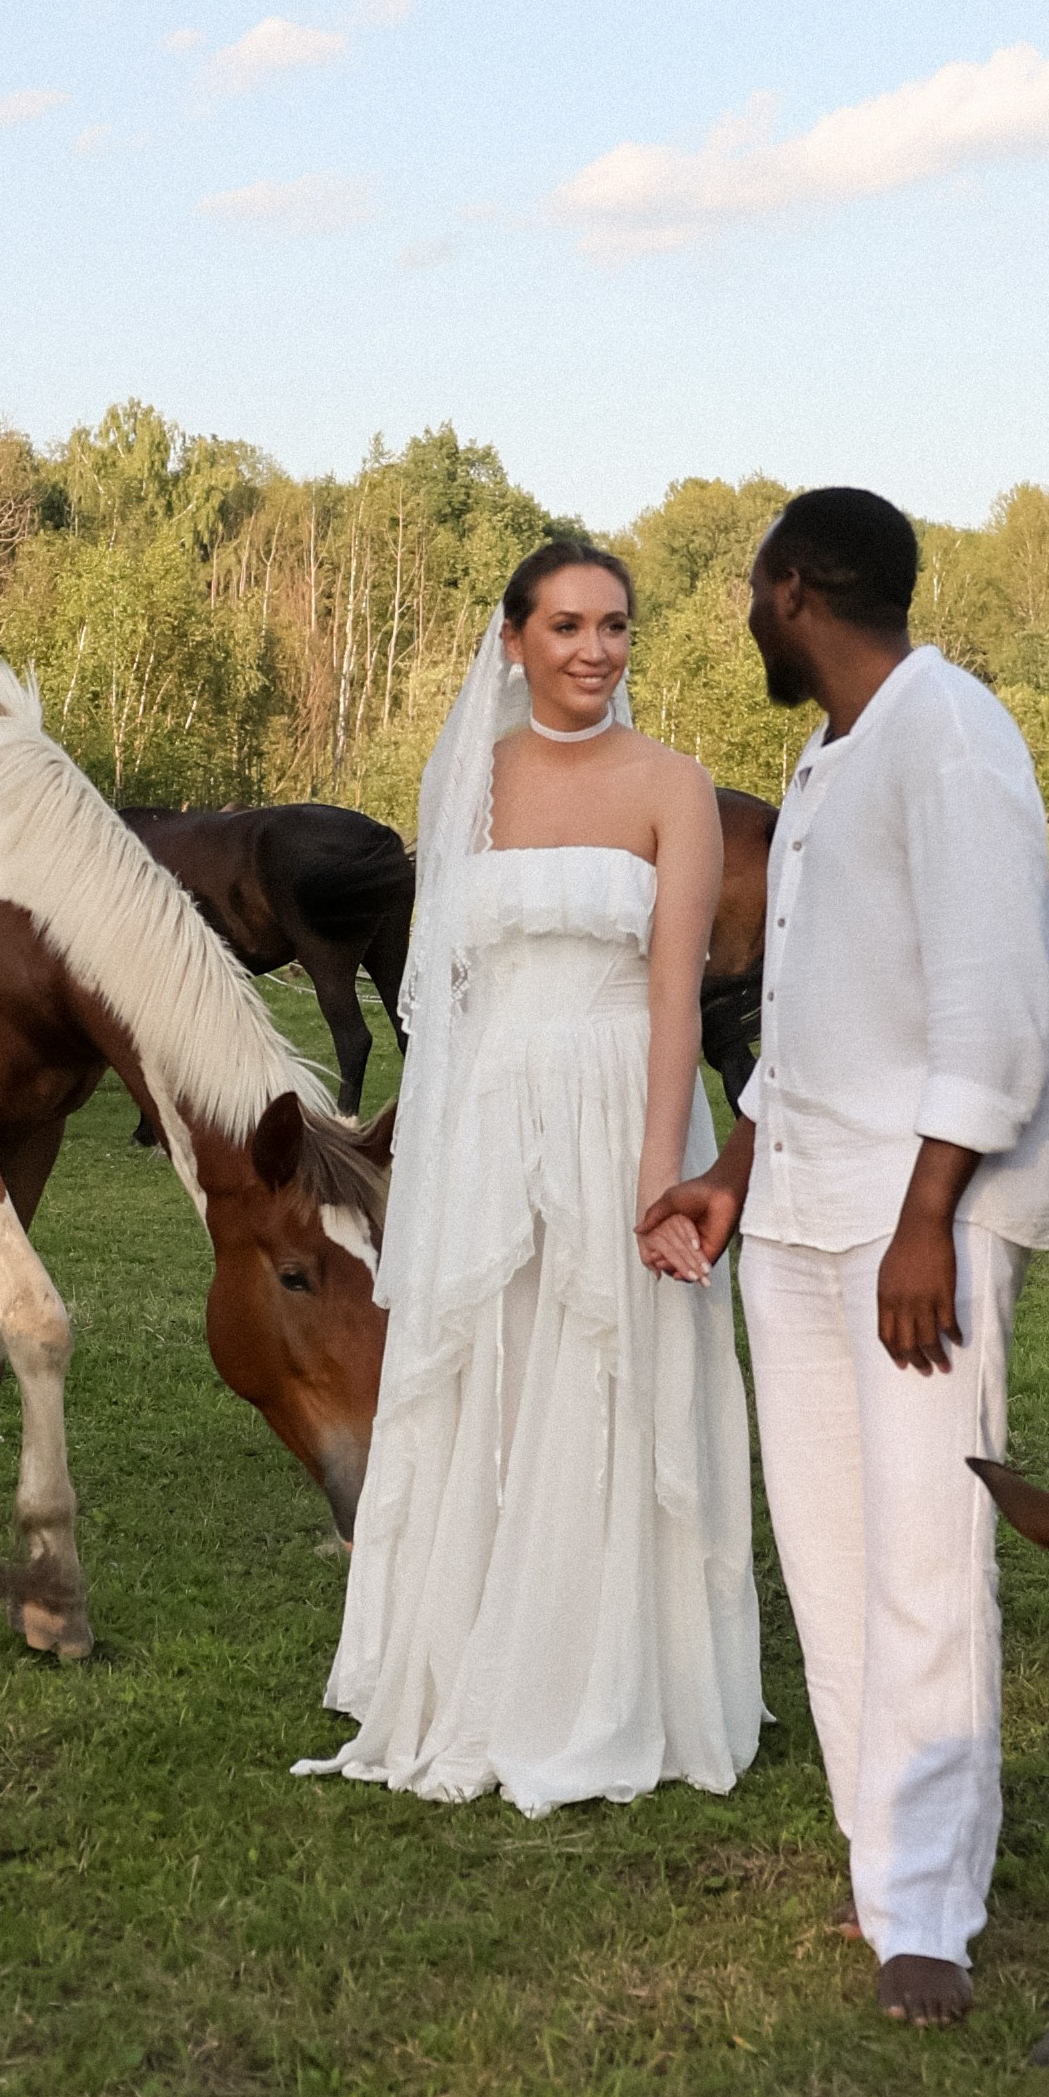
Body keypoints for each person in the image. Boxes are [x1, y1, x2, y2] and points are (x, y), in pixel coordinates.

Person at [647, 488, 1049, 2026]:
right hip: (801, 1215)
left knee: (926, 1561)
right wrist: (728, 1175)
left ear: (793, 587)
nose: (745, 617)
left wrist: (924, 1220)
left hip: (915, 1230)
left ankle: (935, 1920)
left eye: (752, 591)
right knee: (828, 1553)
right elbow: (810, 1025)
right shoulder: (826, 753)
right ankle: (881, 1858)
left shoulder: (948, 731)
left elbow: (1000, 1010)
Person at [296, 542, 761, 1812]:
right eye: (564, 626)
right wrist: (436, 1155)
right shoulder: (472, 780)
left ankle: (609, 1676)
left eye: (613, 626)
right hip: (492, 1102)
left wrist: (658, 1172)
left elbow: (679, 995)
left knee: (606, 1366)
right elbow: (440, 996)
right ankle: (470, 1665)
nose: (593, 649)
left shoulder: (674, 784)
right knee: (493, 1359)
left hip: (622, 1093)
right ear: (513, 641)